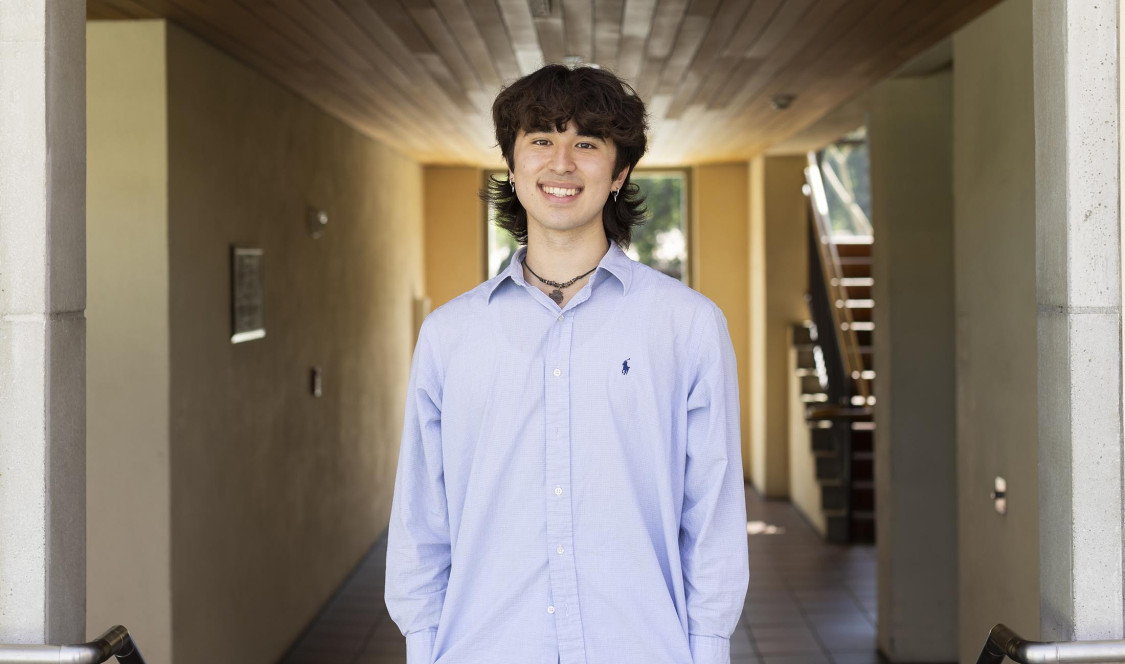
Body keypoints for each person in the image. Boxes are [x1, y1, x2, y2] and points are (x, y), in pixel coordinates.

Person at [385, 64, 748, 664]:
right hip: (483, 648)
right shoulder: (450, 335)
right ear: (512, 163)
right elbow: (422, 518)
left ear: (619, 172)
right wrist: (421, 650)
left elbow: (711, 516)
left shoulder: (688, 326)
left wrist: (707, 651)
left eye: (586, 143)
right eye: (541, 140)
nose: (561, 163)